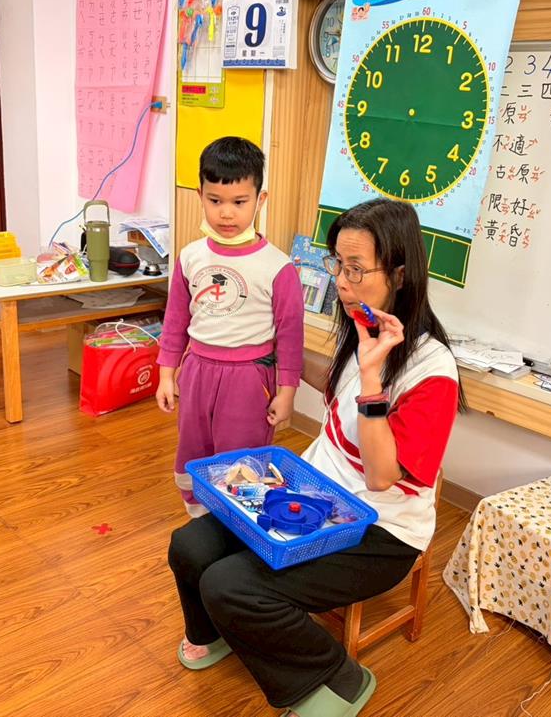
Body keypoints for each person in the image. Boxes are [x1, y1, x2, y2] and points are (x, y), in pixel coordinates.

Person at [167, 198, 462, 716]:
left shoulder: (431, 370)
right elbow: (327, 385)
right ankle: (218, 633)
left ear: (399, 274)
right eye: (337, 265)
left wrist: (372, 377)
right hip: (315, 495)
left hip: (379, 532)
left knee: (230, 584)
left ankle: (339, 678)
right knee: (190, 545)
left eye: (356, 270)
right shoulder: (361, 330)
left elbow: (381, 477)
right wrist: (251, 345)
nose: (341, 283)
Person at [156, 136, 305, 517]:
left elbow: (290, 338)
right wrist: (166, 375)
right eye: (215, 200)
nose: (226, 213)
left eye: (239, 202)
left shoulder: (278, 267)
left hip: (249, 378)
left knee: (241, 459)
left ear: (260, 199)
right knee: (193, 448)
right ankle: (200, 517)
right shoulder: (190, 256)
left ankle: (238, 522)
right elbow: (175, 321)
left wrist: (287, 392)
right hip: (197, 371)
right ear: (200, 196)